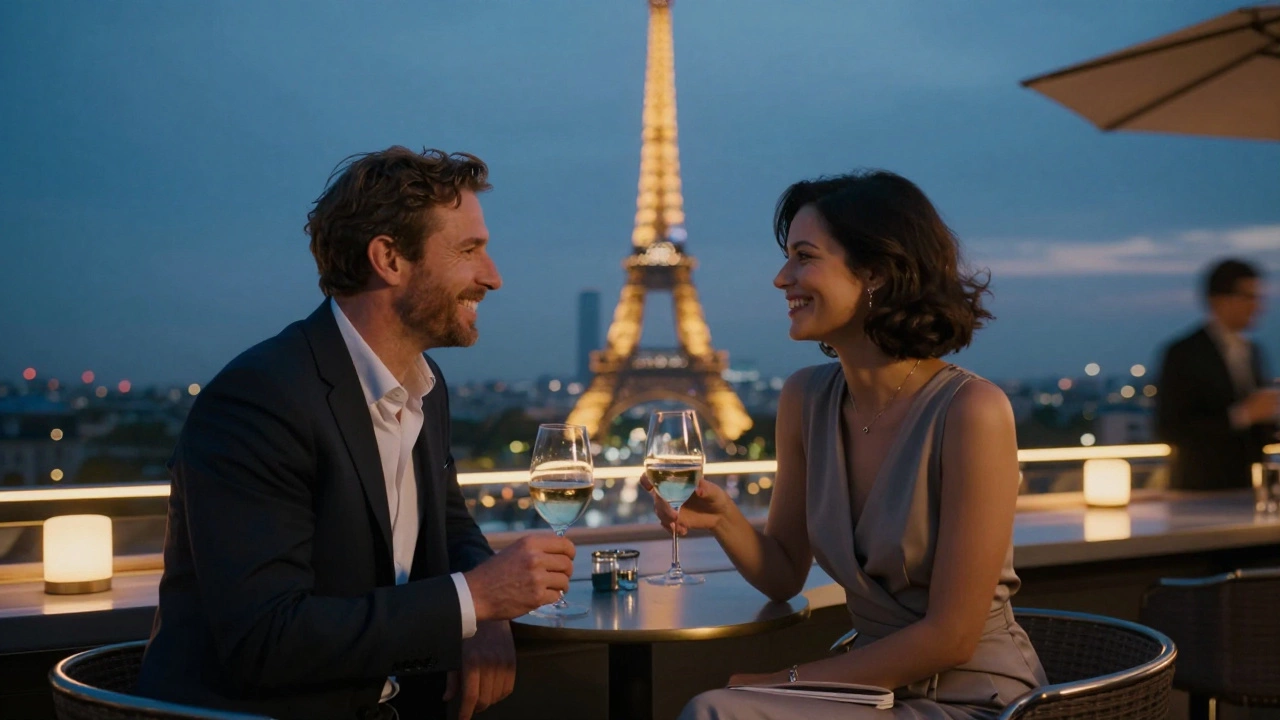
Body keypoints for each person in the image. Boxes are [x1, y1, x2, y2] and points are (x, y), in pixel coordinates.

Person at [136, 147, 577, 720]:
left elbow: (447, 522)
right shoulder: (260, 399)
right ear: (389, 259)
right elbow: (265, 640)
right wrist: (475, 599)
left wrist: (483, 614)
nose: (492, 277)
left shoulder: (424, 384)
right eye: (469, 250)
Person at [654, 171, 1046, 719]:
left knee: (719, 712)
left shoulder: (971, 411)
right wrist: (722, 518)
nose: (780, 278)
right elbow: (784, 572)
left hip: (977, 702)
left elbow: (952, 638)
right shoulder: (805, 398)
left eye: (804, 257)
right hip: (871, 694)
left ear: (876, 274)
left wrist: (783, 682)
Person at [1155, 259, 1278, 491]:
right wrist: (1242, 415)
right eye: (1248, 297)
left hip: (1248, 491)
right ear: (1219, 300)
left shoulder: (1253, 352)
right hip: (1200, 492)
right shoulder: (1183, 353)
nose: (1257, 307)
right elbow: (1170, 428)